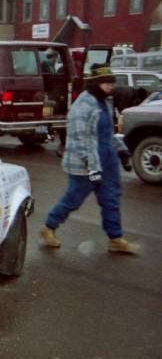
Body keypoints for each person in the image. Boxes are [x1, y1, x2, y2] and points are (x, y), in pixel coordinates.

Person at [41, 65, 139, 254]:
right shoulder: (82, 106)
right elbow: (79, 140)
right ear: (95, 84)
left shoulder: (106, 101)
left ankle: (116, 238)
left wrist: (122, 151)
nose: (110, 86)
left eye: (111, 82)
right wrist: (92, 168)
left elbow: (107, 133)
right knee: (73, 199)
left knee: (111, 199)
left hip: (107, 159)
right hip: (85, 164)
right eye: (105, 83)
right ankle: (49, 227)